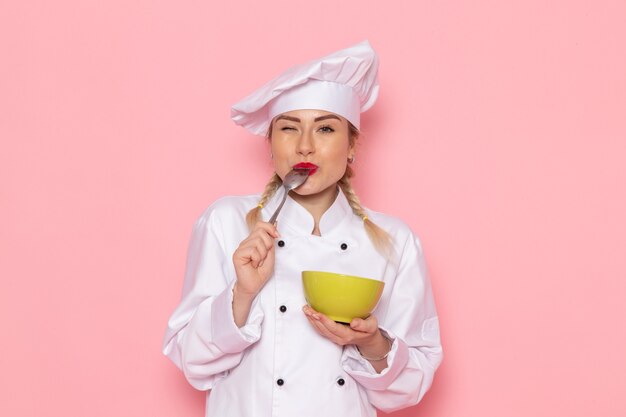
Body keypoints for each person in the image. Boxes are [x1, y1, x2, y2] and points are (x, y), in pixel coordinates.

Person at [162, 40, 443, 417]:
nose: (305, 147)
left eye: (325, 129)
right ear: (271, 145)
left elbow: (411, 386)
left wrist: (372, 342)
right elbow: (191, 361)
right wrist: (242, 293)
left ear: (352, 146)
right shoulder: (225, 221)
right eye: (289, 129)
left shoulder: (395, 241)